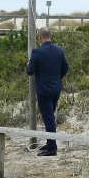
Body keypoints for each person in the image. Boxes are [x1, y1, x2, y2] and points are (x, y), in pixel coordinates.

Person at [26, 27, 70, 156]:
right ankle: (50, 141)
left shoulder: (37, 52)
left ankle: (51, 147)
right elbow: (65, 67)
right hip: (56, 87)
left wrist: (29, 64)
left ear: (40, 37)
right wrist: (57, 78)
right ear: (50, 36)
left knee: (49, 117)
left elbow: (30, 71)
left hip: (44, 89)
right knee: (51, 115)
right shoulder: (59, 50)